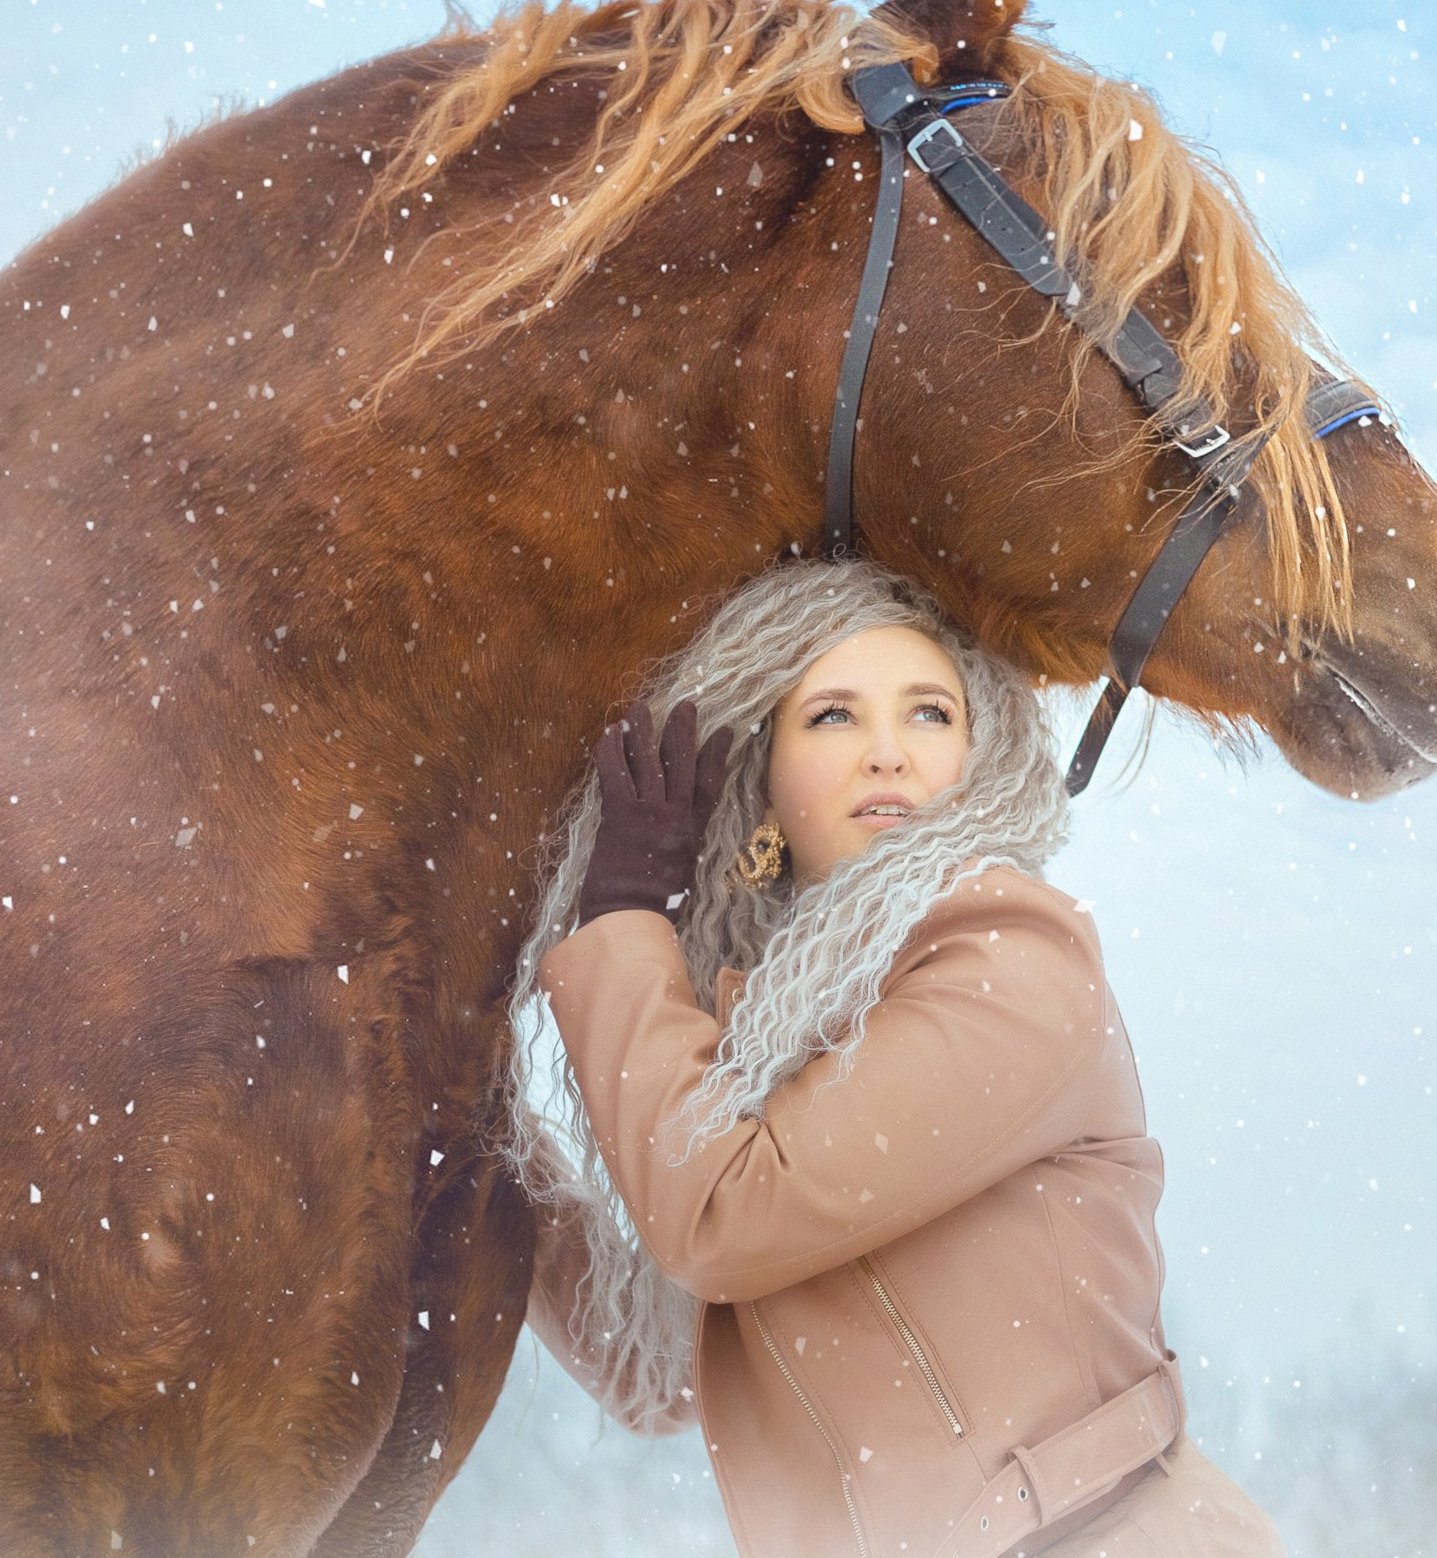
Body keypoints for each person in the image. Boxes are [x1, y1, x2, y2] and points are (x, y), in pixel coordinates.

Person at [504, 559, 1283, 1557]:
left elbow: (721, 1220)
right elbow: (653, 1367)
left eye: (928, 714)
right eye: (833, 716)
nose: (887, 754)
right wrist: (475, 1136)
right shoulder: (758, 1038)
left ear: (979, 755)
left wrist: (619, 922)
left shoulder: (1019, 961)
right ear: (763, 781)